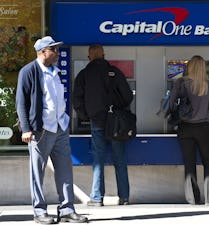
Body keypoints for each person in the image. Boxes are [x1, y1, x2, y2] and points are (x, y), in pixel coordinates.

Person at [15, 36, 88, 224]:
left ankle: (67, 210)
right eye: (53, 49)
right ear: (42, 52)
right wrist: (26, 128)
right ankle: (39, 212)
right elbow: (21, 102)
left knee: (65, 169)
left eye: (57, 49)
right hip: (41, 130)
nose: (57, 53)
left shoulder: (55, 71)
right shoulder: (29, 71)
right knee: (37, 172)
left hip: (60, 127)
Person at [73, 44, 133, 206]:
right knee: (119, 159)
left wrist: (86, 116)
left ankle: (97, 197)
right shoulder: (115, 72)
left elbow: (76, 100)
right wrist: (118, 108)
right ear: (104, 55)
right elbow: (128, 96)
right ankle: (124, 197)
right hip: (116, 124)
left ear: (89, 57)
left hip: (96, 122)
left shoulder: (84, 74)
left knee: (98, 160)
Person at [169, 55, 209, 205]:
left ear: (190, 67)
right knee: (208, 162)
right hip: (204, 128)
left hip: (185, 128)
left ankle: (193, 198)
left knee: (189, 163)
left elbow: (171, 104)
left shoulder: (180, 83)